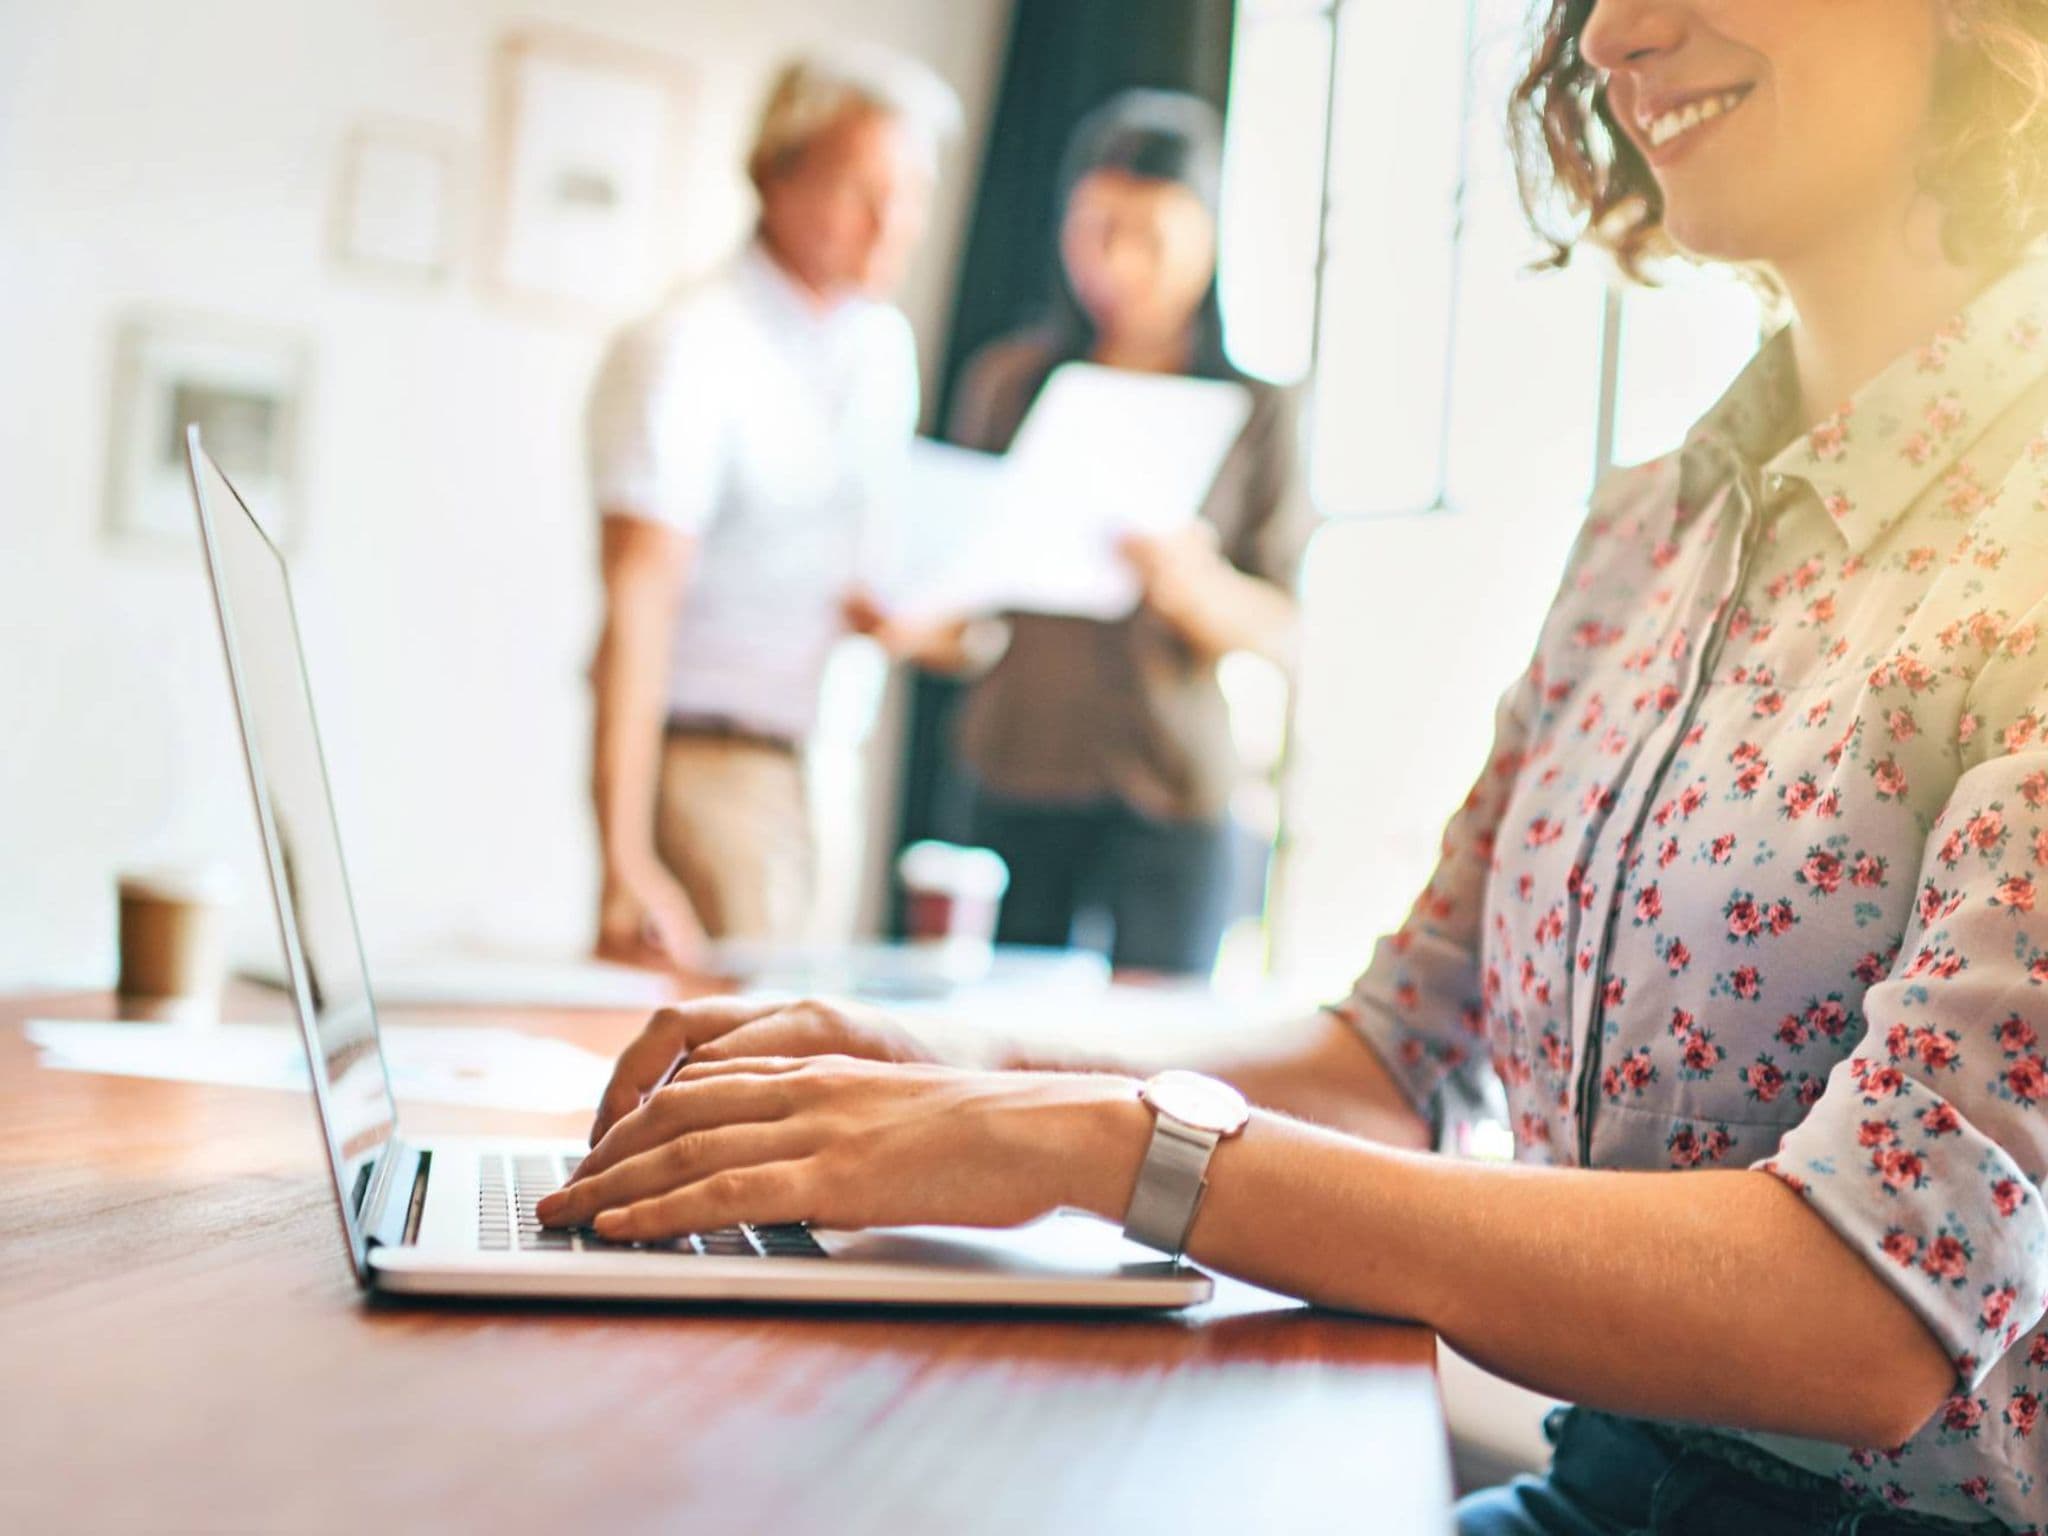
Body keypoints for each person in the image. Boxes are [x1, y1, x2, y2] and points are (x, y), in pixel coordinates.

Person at [545, 3, 2048, 1530]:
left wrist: (1100, 1145)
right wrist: (953, 1076)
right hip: (1589, 1489)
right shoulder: (1644, 534)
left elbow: (1871, 1314)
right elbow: (1389, 1063)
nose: (1609, 36)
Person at [872, 91, 1313, 977]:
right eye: (1094, 229)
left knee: (1158, 1060)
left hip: (1171, 785)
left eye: (1150, 235)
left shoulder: (1257, 407)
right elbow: (962, 610)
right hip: (1016, 769)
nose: (1117, 263)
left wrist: (1192, 583)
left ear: (1209, 239)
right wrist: (913, 622)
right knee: (1003, 1055)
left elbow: (1282, 624)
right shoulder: (1007, 382)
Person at [583, 52, 959, 968]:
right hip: (710, 768)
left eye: (908, 192)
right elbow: (637, 608)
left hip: (828, 768)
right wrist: (623, 856)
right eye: (859, 190)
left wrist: (920, 623)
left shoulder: (882, 347)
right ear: (776, 176)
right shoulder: (690, 348)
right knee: (728, 1072)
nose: (891, 223)